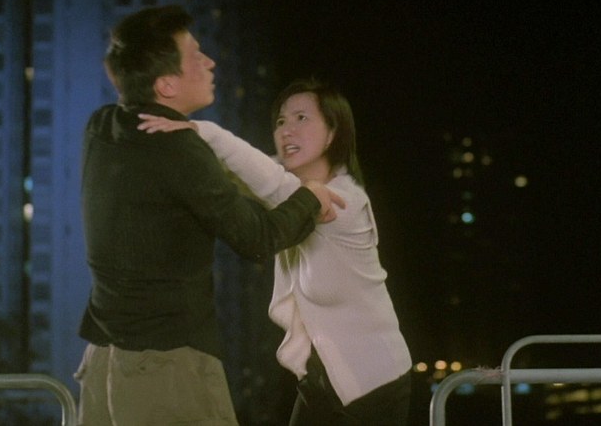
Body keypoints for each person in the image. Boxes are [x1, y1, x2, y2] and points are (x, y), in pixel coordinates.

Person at [75, 6, 344, 426]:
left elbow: (195, 188)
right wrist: (310, 197)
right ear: (166, 85)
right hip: (166, 370)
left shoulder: (103, 125)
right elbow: (258, 237)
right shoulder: (179, 151)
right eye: (196, 56)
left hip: (104, 362)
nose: (210, 62)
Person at [138, 78, 412, 425]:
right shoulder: (299, 191)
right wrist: (177, 139)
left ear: (332, 133)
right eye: (281, 121)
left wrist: (205, 130)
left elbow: (273, 184)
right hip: (322, 378)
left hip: (374, 380)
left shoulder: (345, 202)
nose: (286, 130)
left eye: (301, 118)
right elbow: (242, 174)